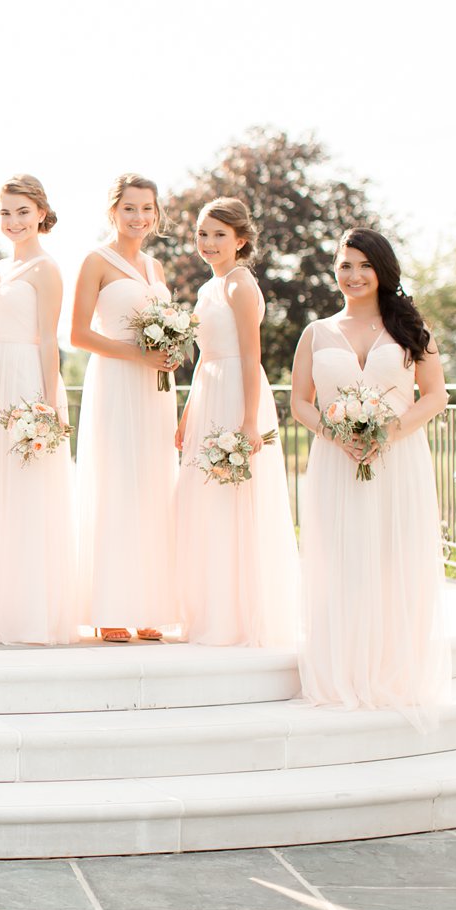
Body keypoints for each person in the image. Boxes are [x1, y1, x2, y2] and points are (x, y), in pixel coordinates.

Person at [289, 227, 451, 728]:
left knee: (393, 561)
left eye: (364, 265)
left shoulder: (409, 327)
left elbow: (435, 395)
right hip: (336, 463)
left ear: (382, 270)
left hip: (398, 461)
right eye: (345, 265)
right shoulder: (316, 332)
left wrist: (390, 432)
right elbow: (298, 401)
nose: (354, 275)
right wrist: (336, 435)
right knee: (341, 562)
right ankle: (343, 671)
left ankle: (391, 671)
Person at [172, 199, 297, 647]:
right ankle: (209, 609)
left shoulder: (240, 285)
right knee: (205, 500)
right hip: (208, 391)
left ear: (240, 240)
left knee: (234, 500)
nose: (208, 243)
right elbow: (203, 354)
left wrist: (248, 420)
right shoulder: (210, 288)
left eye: (219, 235)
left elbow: (251, 354)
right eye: (203, 234)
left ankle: (238, 619)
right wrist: (187, 412)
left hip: (237, 394)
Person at [0, 175, 79, 644]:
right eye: (6, 213)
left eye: (22, 212)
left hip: (27, 378)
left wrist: (50, 402)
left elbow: (50, 338)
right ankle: (0, 606)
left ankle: (32, 613)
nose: (13, 222)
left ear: (40, 213)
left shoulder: (47, 268)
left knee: (29, 492)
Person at [70, 173, 182, 642]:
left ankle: (149, 604)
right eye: (130, 208)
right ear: (113, 211)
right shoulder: (95, 261)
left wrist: (172, 350)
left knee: (154, 488)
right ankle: (109, 607)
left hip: (157, 389)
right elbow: (78, 335)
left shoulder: (156, 269)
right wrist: (138, 353)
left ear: (156, 214)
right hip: (116, 382)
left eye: (147, 209)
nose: (139, 217)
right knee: (117, 484)